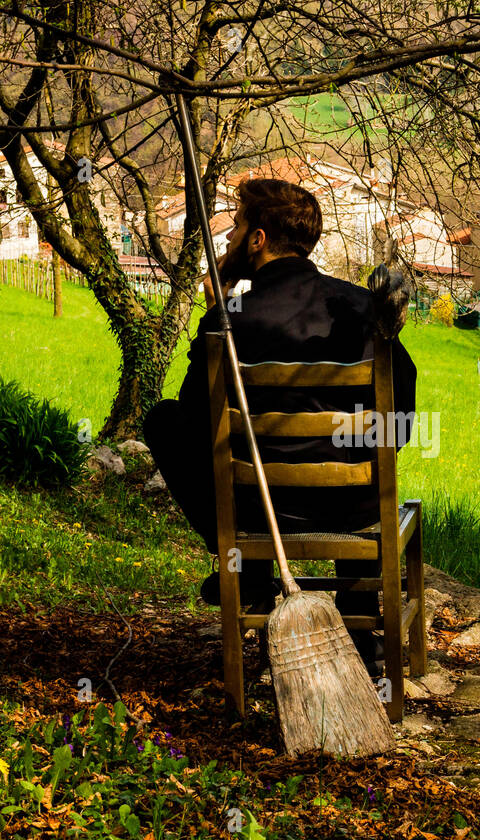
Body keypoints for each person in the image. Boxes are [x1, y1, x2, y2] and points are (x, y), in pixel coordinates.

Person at [143, 177, 417, 677]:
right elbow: (400, 423)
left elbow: (195, 420)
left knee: (161, 420)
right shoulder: (361, 308)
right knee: (362, 463)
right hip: (352, 502)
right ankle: (361, 636)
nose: (227, 238)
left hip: (255, 505)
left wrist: (215, 309)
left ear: (258, 239)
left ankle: (247, 573)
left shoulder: (229, 317)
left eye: (237, 226)